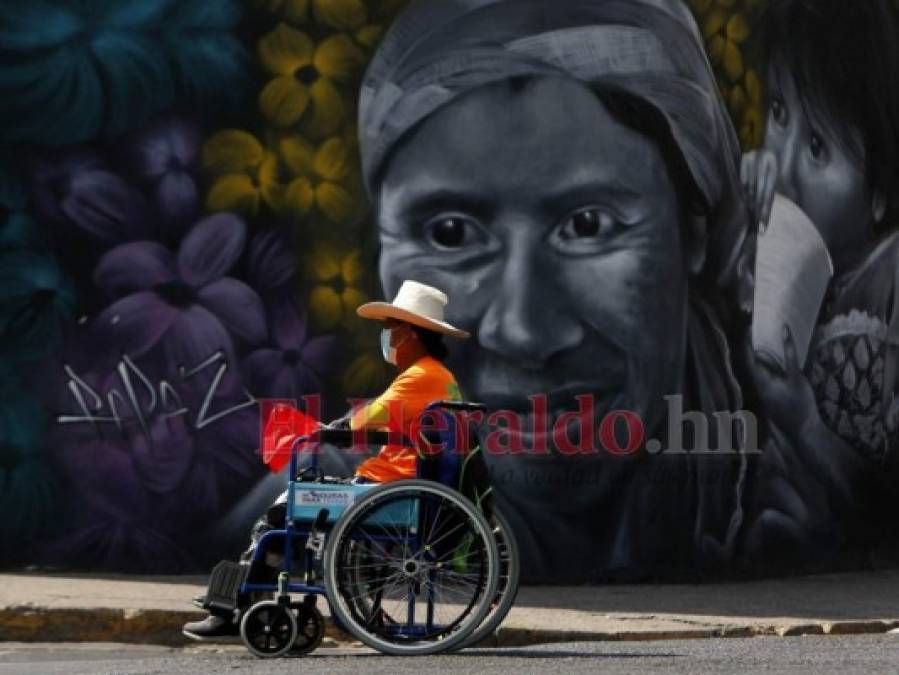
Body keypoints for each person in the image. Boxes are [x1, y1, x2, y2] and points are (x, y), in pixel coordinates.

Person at [357, 0, 753, 581]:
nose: (523, 330)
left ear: (693, 230)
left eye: (588, 226)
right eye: (450, 233)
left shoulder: (808, 473)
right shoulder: (349, 508)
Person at [182, 280, 470, 640]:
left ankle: (236, 606)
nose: (387, 338)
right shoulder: (442, 379)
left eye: (390, 330)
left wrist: (330, 429)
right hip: (404, 486)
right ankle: (247, 598)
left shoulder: (419, 377)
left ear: (410, 333)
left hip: (387, 489)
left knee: (281, 513)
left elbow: (368, 417)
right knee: (293, 508)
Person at [738, 0, 899, 564]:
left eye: (817, 149)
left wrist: (802, 419)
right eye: (779, 113)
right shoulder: (777, 234)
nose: (781, 166)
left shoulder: (888, 281)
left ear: (880, 195)